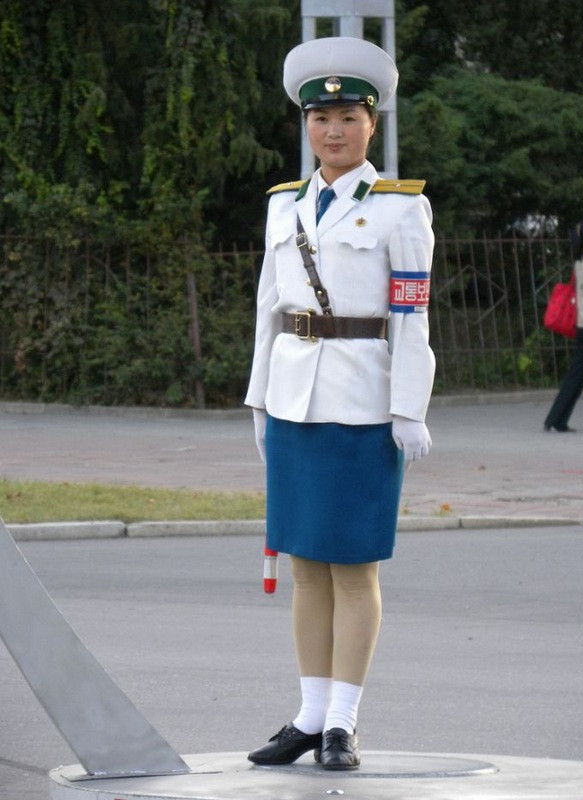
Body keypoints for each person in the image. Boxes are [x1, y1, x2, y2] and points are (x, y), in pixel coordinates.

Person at [244, 36, 435, 771]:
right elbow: (268, 312)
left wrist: (409, 406)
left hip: (364, 405)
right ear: (306, 125)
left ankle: (342, 725)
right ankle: (308, 716)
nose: (333, 131)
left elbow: (412, 315)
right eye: (320, 118)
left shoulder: (401, 209)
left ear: (371, 124)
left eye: (348, 117)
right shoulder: (282, 206)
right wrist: (259, 401)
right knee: (305, 568)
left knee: (354, 570)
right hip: (294, 401)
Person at [544, 220, 583, 432]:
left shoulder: (580, 263)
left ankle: (555, 419)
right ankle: (556, 420)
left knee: (576, 375)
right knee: (577, 374)